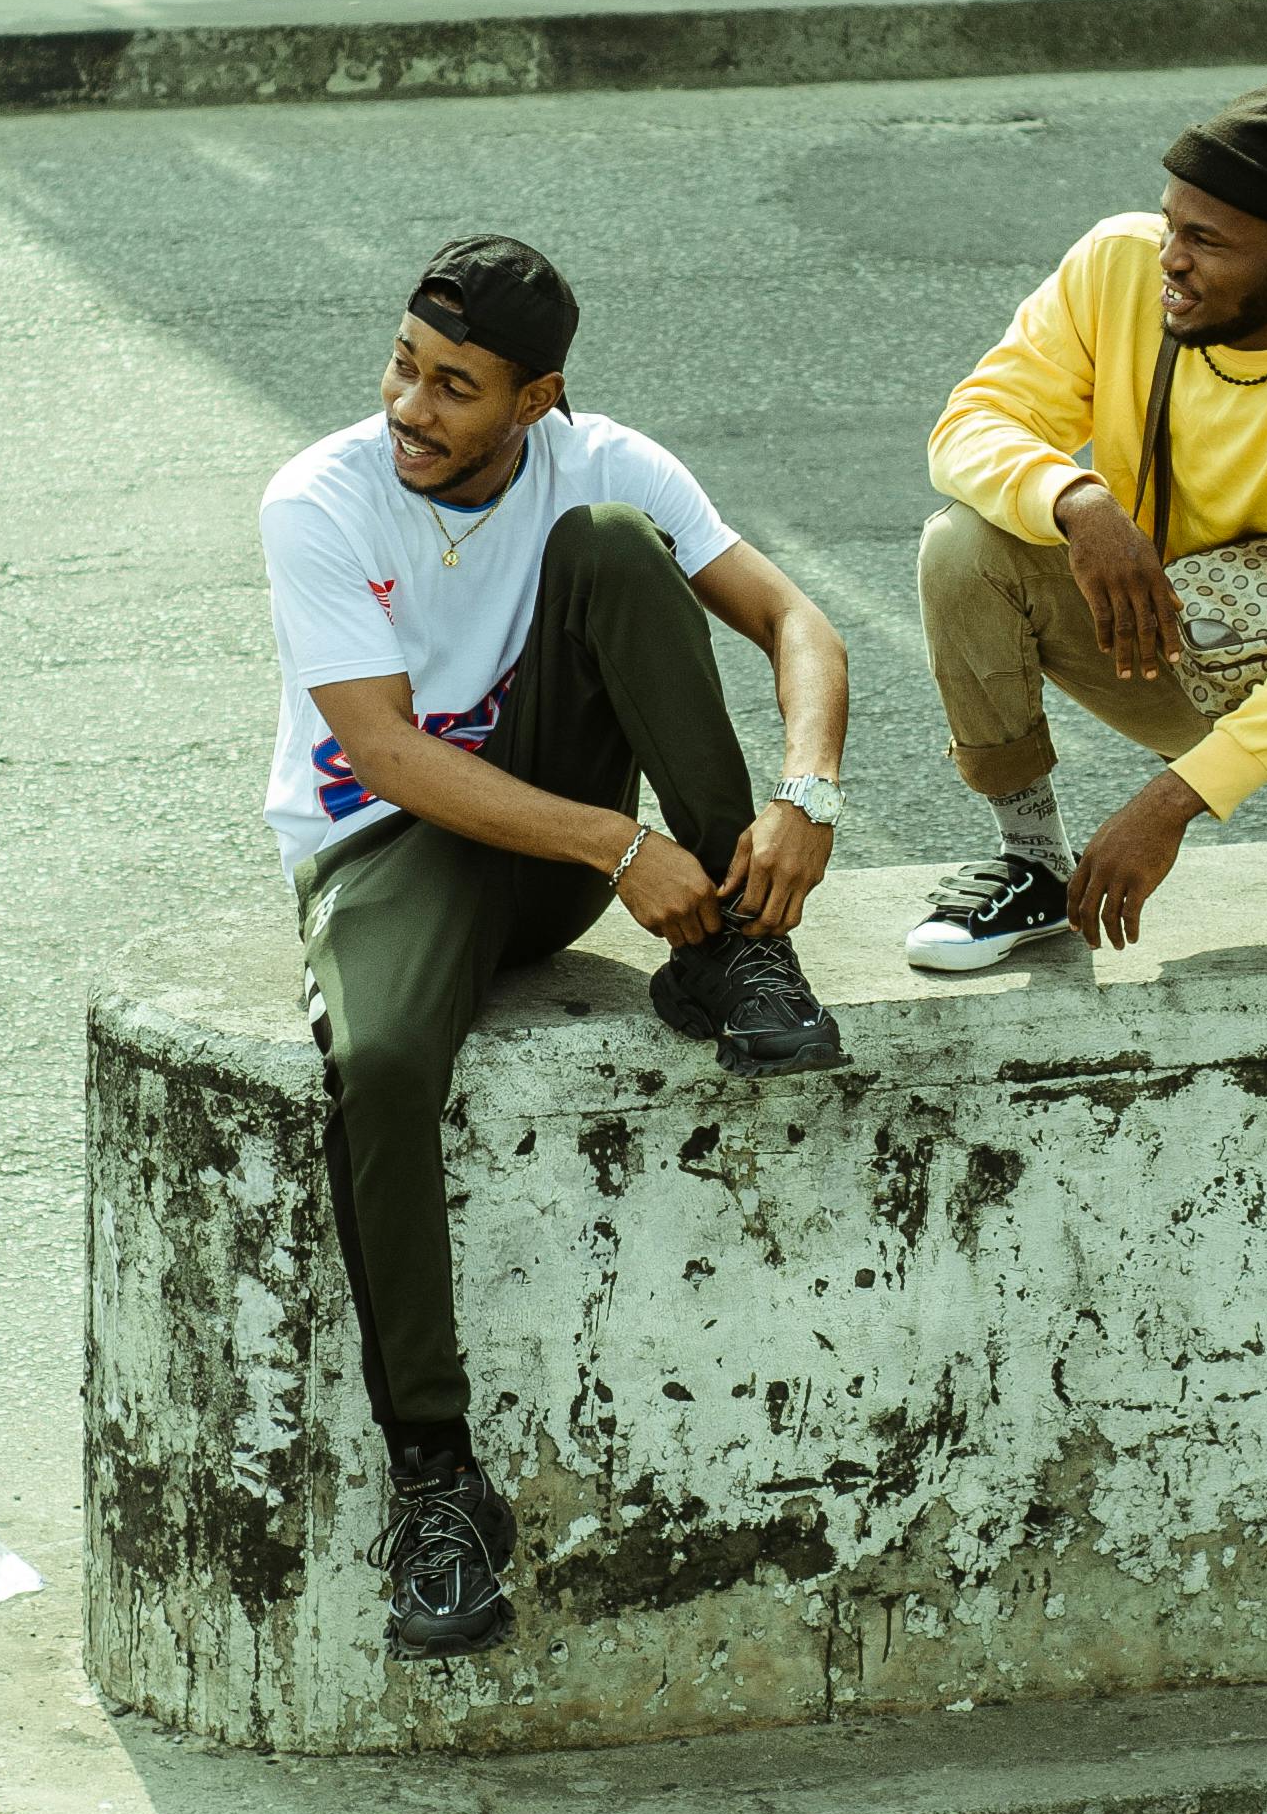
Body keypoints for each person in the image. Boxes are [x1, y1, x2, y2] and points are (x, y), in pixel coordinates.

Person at [261, 236, 852, 1662]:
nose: (412, 404)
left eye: (456, 386)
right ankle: (437, 1481)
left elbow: (797, 621)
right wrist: (613, 844)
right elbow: (389, 754)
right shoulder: (320, 500)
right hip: (391, 846)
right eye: (406, 363)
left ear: (538, 398)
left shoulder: (601, 464)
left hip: (559, 841)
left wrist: (806, 794)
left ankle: (736, 956)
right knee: (388, 1061)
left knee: (614, 556)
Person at [907, 71, 1267, 974]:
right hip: (1157, 634)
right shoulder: (1117, 266)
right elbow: (971, 423)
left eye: (1206, 240)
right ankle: (1033, 861)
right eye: (1172, 223)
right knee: (964, 546)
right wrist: (1077, 500)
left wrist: (1171, 804)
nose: (1171, 258)